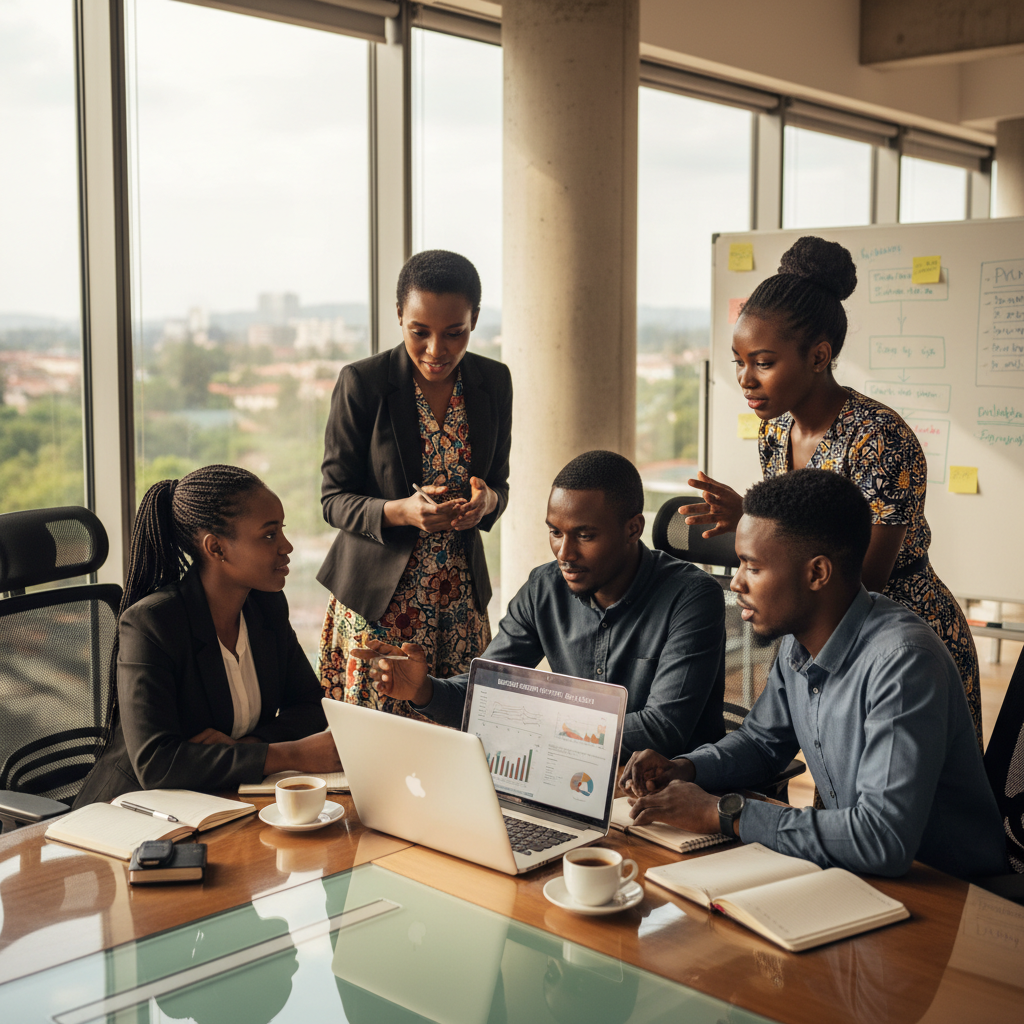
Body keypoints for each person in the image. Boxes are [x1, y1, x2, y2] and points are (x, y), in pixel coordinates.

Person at [621, 469, 1006, 880]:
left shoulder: (903, 662)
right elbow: (761, 744)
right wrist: (683, 768)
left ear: (817, 573)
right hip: (856, 877)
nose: (735, 583)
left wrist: (723, 812)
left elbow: (881, 839)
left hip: (947, 892)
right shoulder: (799, 640)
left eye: (752, 567)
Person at [680, 235, 982, 747]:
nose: (745, 380)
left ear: (818, 356)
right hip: (824, 636)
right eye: (738, 361)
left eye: (764, 362)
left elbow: (865, 576)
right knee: (835, 791)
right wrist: (751, 522)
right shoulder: (775, 431)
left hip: (903, 642)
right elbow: (796, 542)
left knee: (901, 812)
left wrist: (757, 521)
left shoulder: (878, 438)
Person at [359, 450, 726, 758]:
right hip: (569, 779)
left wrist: (536, 726)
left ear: (633, 528)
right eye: (555, 532)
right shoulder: (544, 588)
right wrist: (425, 689)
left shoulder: (692, 597)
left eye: (585, 535)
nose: (564, 554)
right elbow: (487, 689)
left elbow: (662, 731)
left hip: (667, 796)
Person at [317, 250, 512, 718]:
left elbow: (499, 482)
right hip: (381, 605)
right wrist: (401, 511)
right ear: (399, 315)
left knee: (456, 739)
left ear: (475, 320)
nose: (435, 350)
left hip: (459, 600)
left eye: (454, 333)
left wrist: (487, 503)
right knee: (379, 752)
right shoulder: (362, 383)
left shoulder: (494, 382)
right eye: (419, 332)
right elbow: (332, 499)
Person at [75, 465, 339, 806]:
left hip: (219, 801)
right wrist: (289, 755)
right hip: (132, 814)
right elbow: (157, 763)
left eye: (282, 531)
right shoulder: (152, 624)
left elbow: (309, 706)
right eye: (270, 535)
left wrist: (250, 746)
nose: (286, 547)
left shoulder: (266, 607)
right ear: (216, 548)